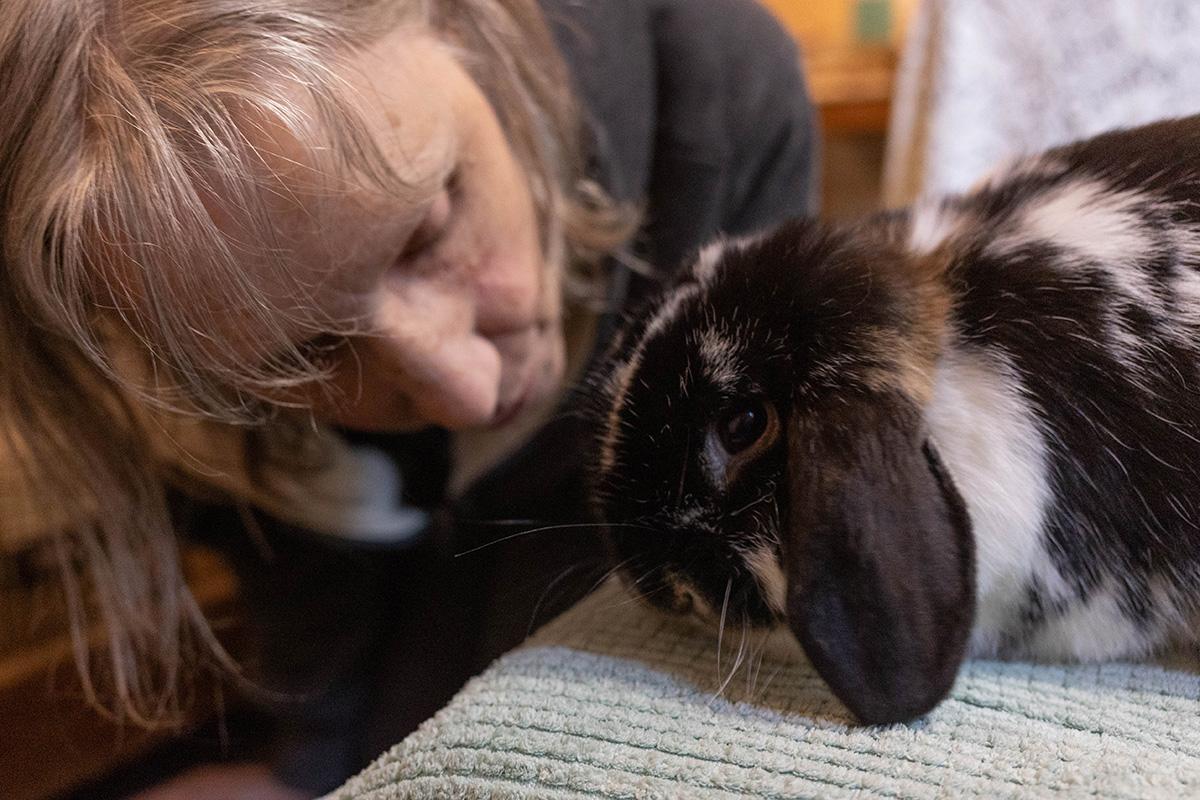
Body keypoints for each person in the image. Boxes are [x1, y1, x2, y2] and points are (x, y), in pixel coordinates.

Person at [0, 1, 818, 797]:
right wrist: (307, 765)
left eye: (427, 233)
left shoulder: (718, 85)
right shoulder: (134, 331)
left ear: (461, 21)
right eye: (304, 355)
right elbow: (301, 556)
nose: (468, 390)